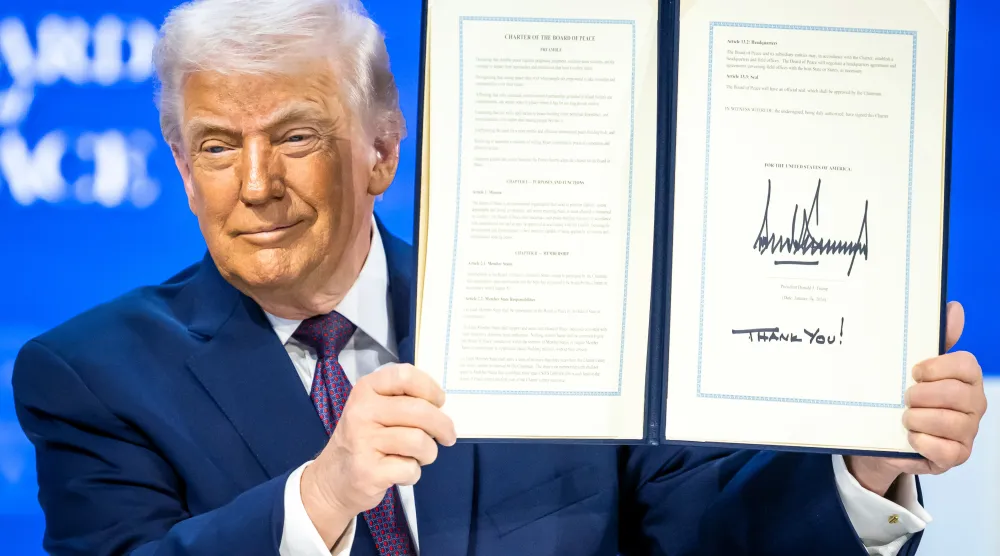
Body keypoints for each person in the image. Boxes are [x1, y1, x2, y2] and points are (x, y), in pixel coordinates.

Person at [12, 1, 987, 555]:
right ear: (182, 169)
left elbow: (702, 531)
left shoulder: (569, 303)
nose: (256, 184)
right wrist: (322, 495)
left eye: (296, 136)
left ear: (383, 151)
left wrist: (863, 464)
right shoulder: (88, 373)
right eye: (218, 146)